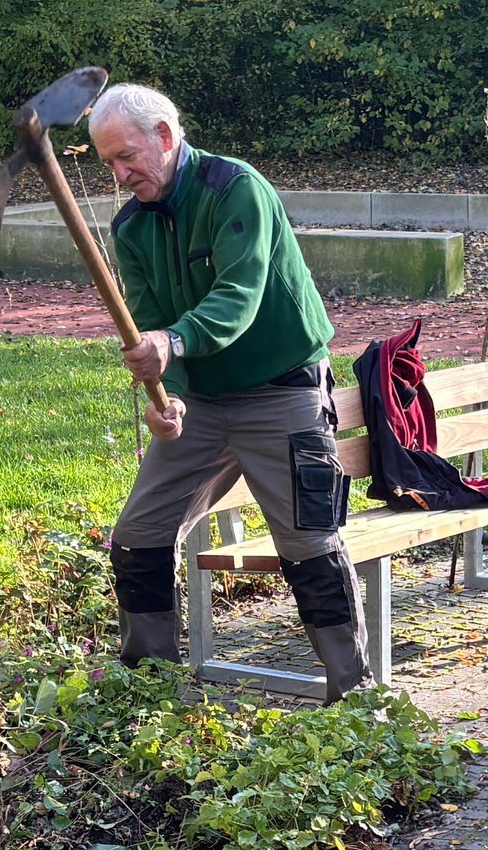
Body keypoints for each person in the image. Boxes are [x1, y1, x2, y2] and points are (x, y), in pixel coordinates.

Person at [95, 83, 372, 699]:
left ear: (165, 136)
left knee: (309, 545)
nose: (120, 174)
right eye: (109, 162)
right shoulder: (131, 226)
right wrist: (166, 397)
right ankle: (151, 693)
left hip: (282, 391)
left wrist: (173, 342)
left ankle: (355, 699)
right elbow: (148, 323)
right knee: (139, 536)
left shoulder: (236, 189)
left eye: (127, 156)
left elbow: (238, 297)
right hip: (202, 403)